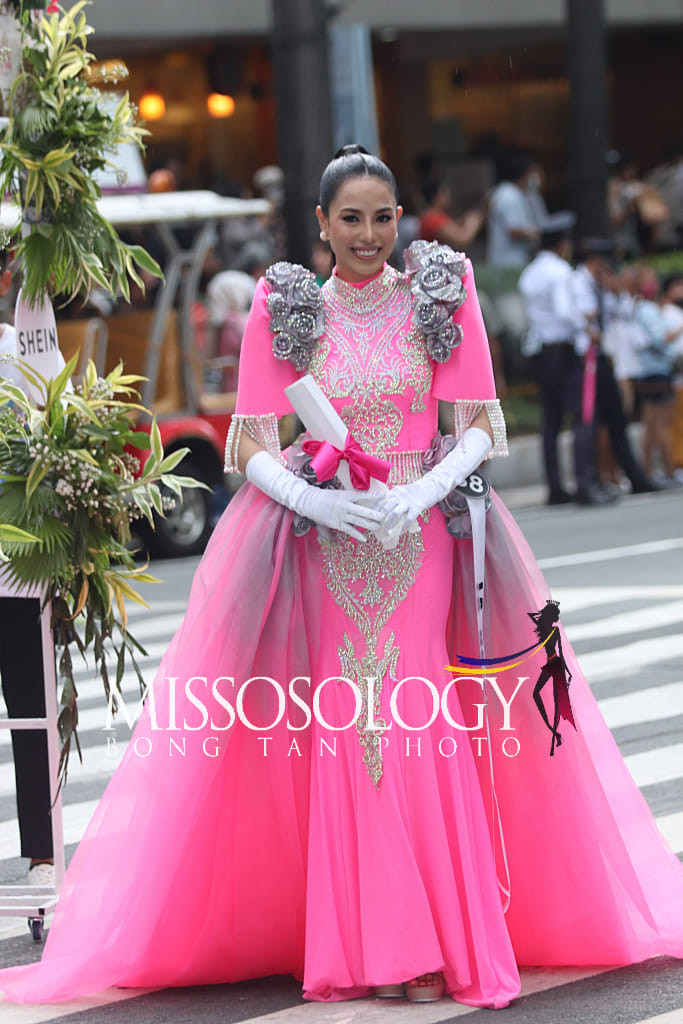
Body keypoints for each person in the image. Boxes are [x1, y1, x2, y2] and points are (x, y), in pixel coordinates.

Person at [2, 146, 683, 1008]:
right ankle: (373, 947)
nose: (368, 234)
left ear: (400, 219)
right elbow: (248, 443)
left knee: (414, 723)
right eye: (350, 218)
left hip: (420, 537)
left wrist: (425, 488)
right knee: (349, 734)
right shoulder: (284, 309)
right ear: (320, 225)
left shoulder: (442, 293)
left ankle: (439, 941)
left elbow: (478, 419)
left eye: (383, 216)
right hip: (328, 543)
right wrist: (316, 504)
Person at [0, 253, 56, 886]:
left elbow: (61, 437)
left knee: (30, 709)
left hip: (19, 569)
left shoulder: (26, 352)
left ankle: (42, 853)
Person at [518, 213, 599, 505]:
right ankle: (584, 484)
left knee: (550, 421)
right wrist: (587, 321)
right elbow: (566, 313)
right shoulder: (561, 271)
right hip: (562, 352)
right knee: (581, 417)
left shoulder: (530, 272)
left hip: (540, 354)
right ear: (562, 244)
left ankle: (555, 488)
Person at [573, 239, 658, 496]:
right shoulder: (577, 282)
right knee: (592, 420)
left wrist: (616, 291)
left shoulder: (603, 286)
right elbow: (582, 316)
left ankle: (634, 475)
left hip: (605, 359)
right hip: (585, 360)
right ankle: (595, 479)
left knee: (617, 419)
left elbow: (623, 314)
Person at [486, 152, 545, 268]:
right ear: (523, 174)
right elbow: (513, 230)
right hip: (507, 263)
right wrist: (539, 233)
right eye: (533, 172)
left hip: (514, 261)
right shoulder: (508, 195)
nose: (537, 176)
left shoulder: (517, 193)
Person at [419, 179, 484, 251]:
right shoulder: (433, 218)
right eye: (445, 193)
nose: (448, 196)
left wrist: (464, 220)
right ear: (439, 195)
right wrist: (473, 221)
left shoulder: (430, 215)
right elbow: (461, 240)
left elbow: (451, 226)